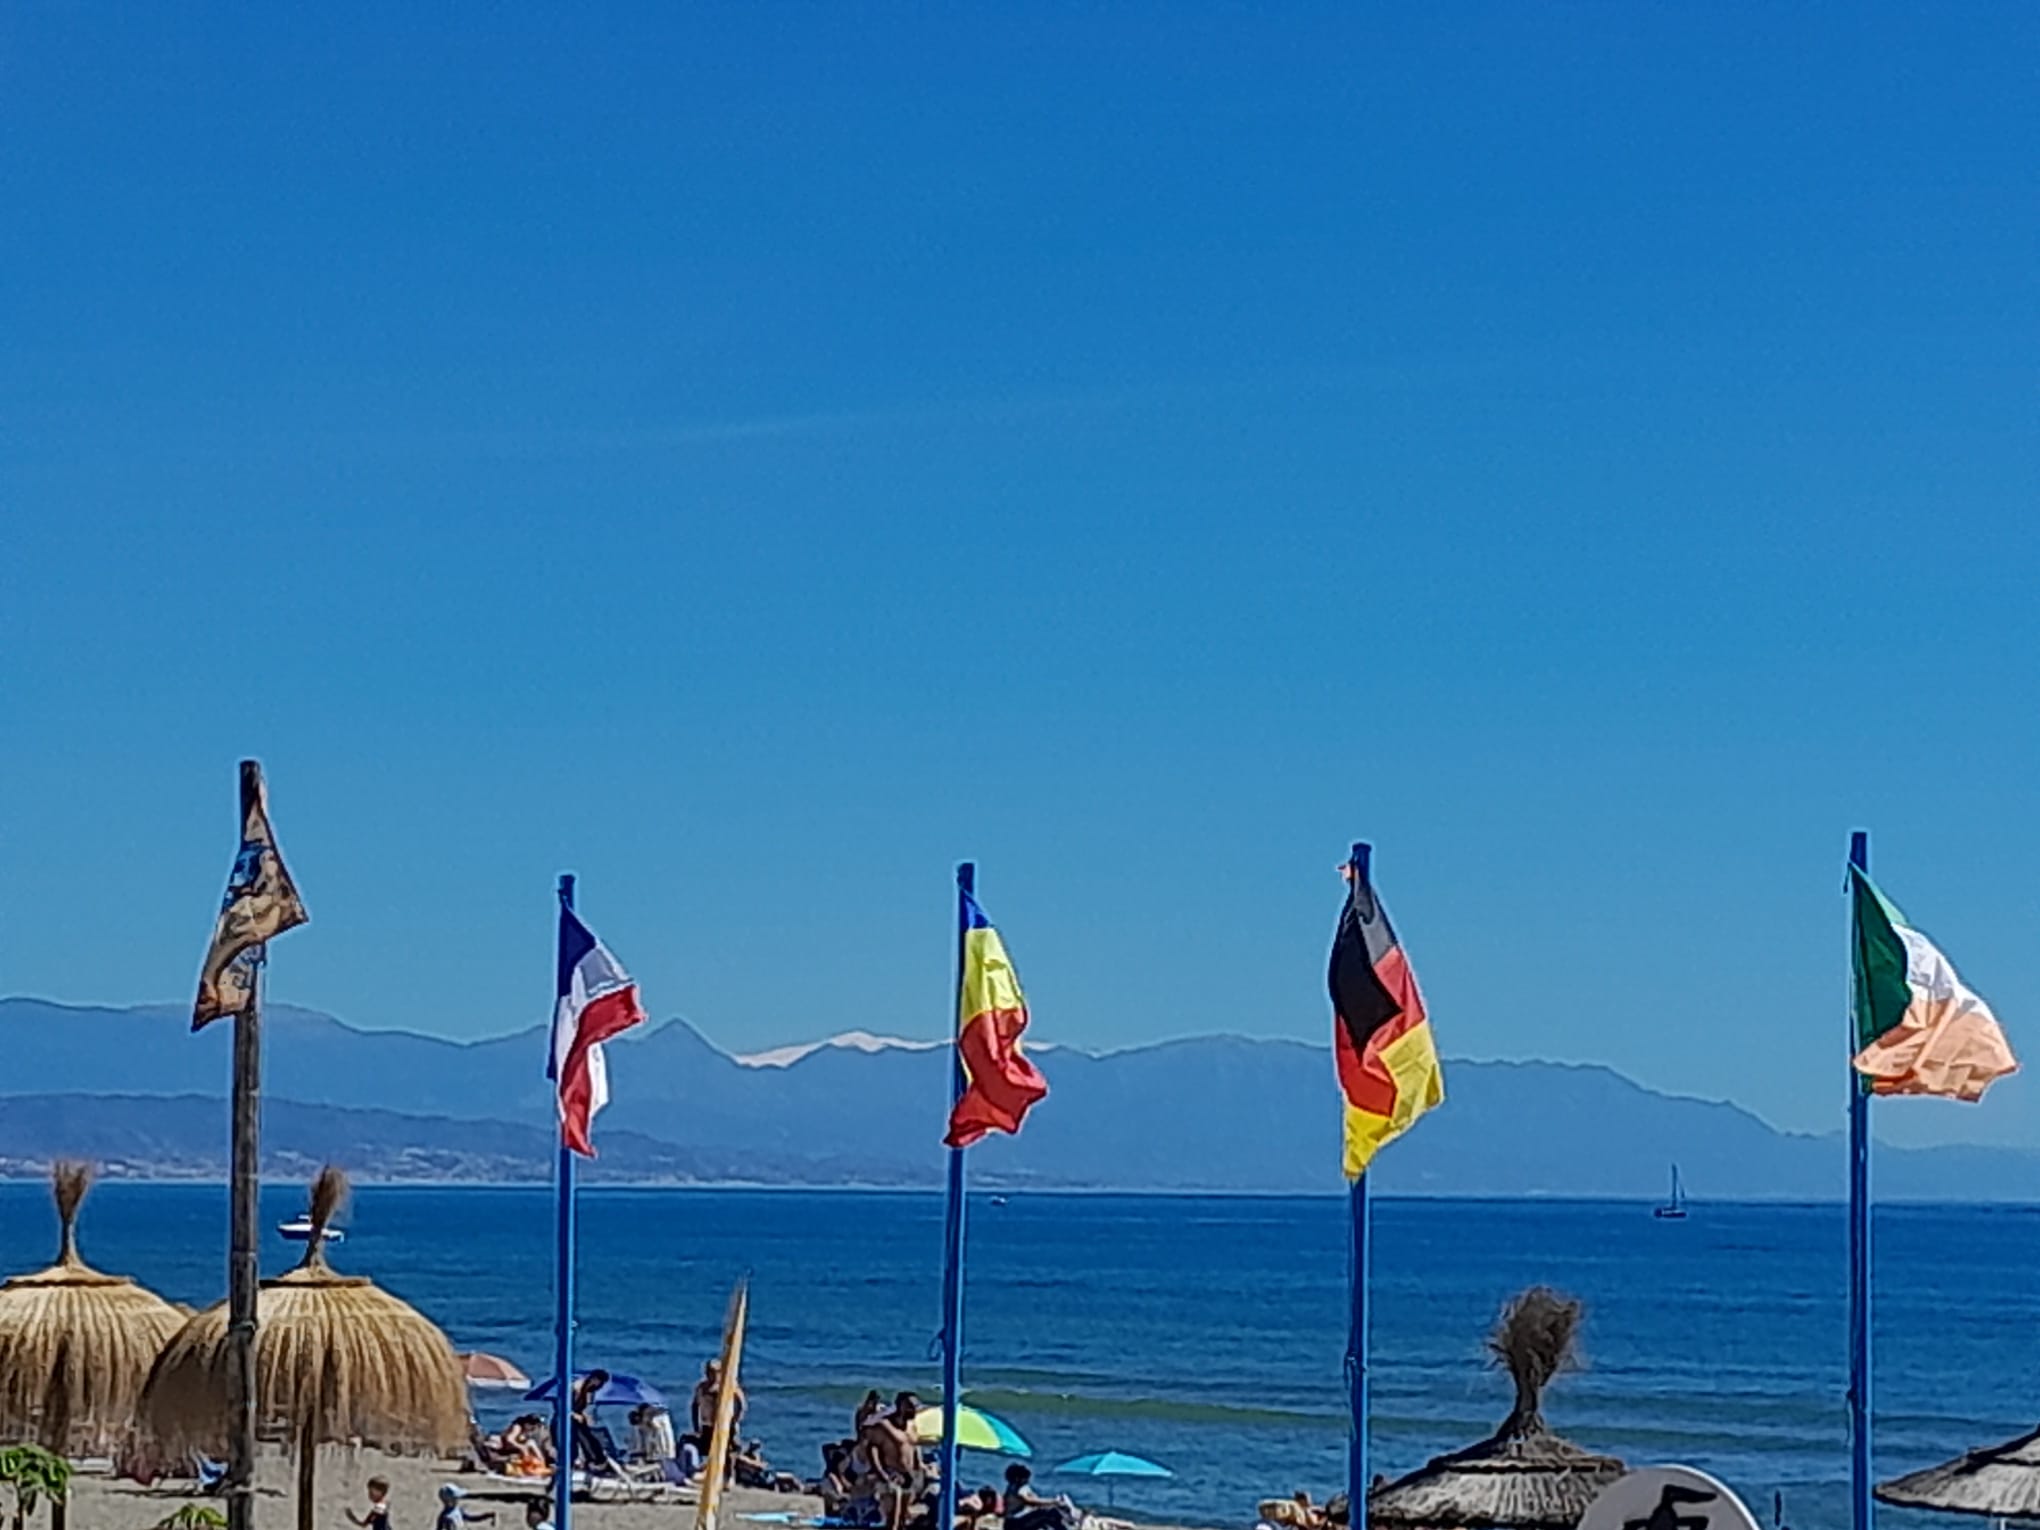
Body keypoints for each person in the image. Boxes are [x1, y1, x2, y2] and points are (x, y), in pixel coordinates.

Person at [1003, 1463, 1078, 1530]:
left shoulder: (1012, 1488)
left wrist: (1050, 1504)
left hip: (1013, 1523)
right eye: (1025, 1479)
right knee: (1047, 1516)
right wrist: (1054, 1501)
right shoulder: (1016, 1489)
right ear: (1017, 1478)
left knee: (1050, 1513)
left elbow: (1032, 1501)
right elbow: (1031, 1501)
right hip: (1015, 1524)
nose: (1027, 1481)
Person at [570, 1370, 615, 1473]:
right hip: (567, 1420)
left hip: (578, 1420)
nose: (601, 1386)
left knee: (592, 1440)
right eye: (601, 1383)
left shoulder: (590, 1391)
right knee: (581, 1440)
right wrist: (574, 1414)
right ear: (595, 1379)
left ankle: (597, 1461)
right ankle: (586, 1462)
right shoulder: (576, 1387)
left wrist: (585, 1415)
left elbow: (582, 1408)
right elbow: (563, 1407)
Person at [692, 1359, 747, 1439]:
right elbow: (695, 1406)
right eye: (709, 1372)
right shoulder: (702, 1387)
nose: (712, 1375)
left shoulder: (728, 1386)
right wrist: (696, 1426)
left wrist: (735, 1419)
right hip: (707, 1425)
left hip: (725, 1425)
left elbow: (741, 1403)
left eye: (715, 1372)